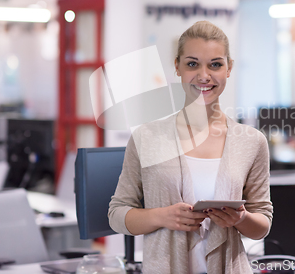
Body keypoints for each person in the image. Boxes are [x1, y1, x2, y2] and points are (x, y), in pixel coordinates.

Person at [108, 21, 273, 274]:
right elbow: (117, 214)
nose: (204, 75)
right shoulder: (147, 137)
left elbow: (262, 225)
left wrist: (241, 219)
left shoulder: (251, 141)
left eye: (215, 64)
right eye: (192, 64)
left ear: (229, 68)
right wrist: (162, 217)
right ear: (177, 67)